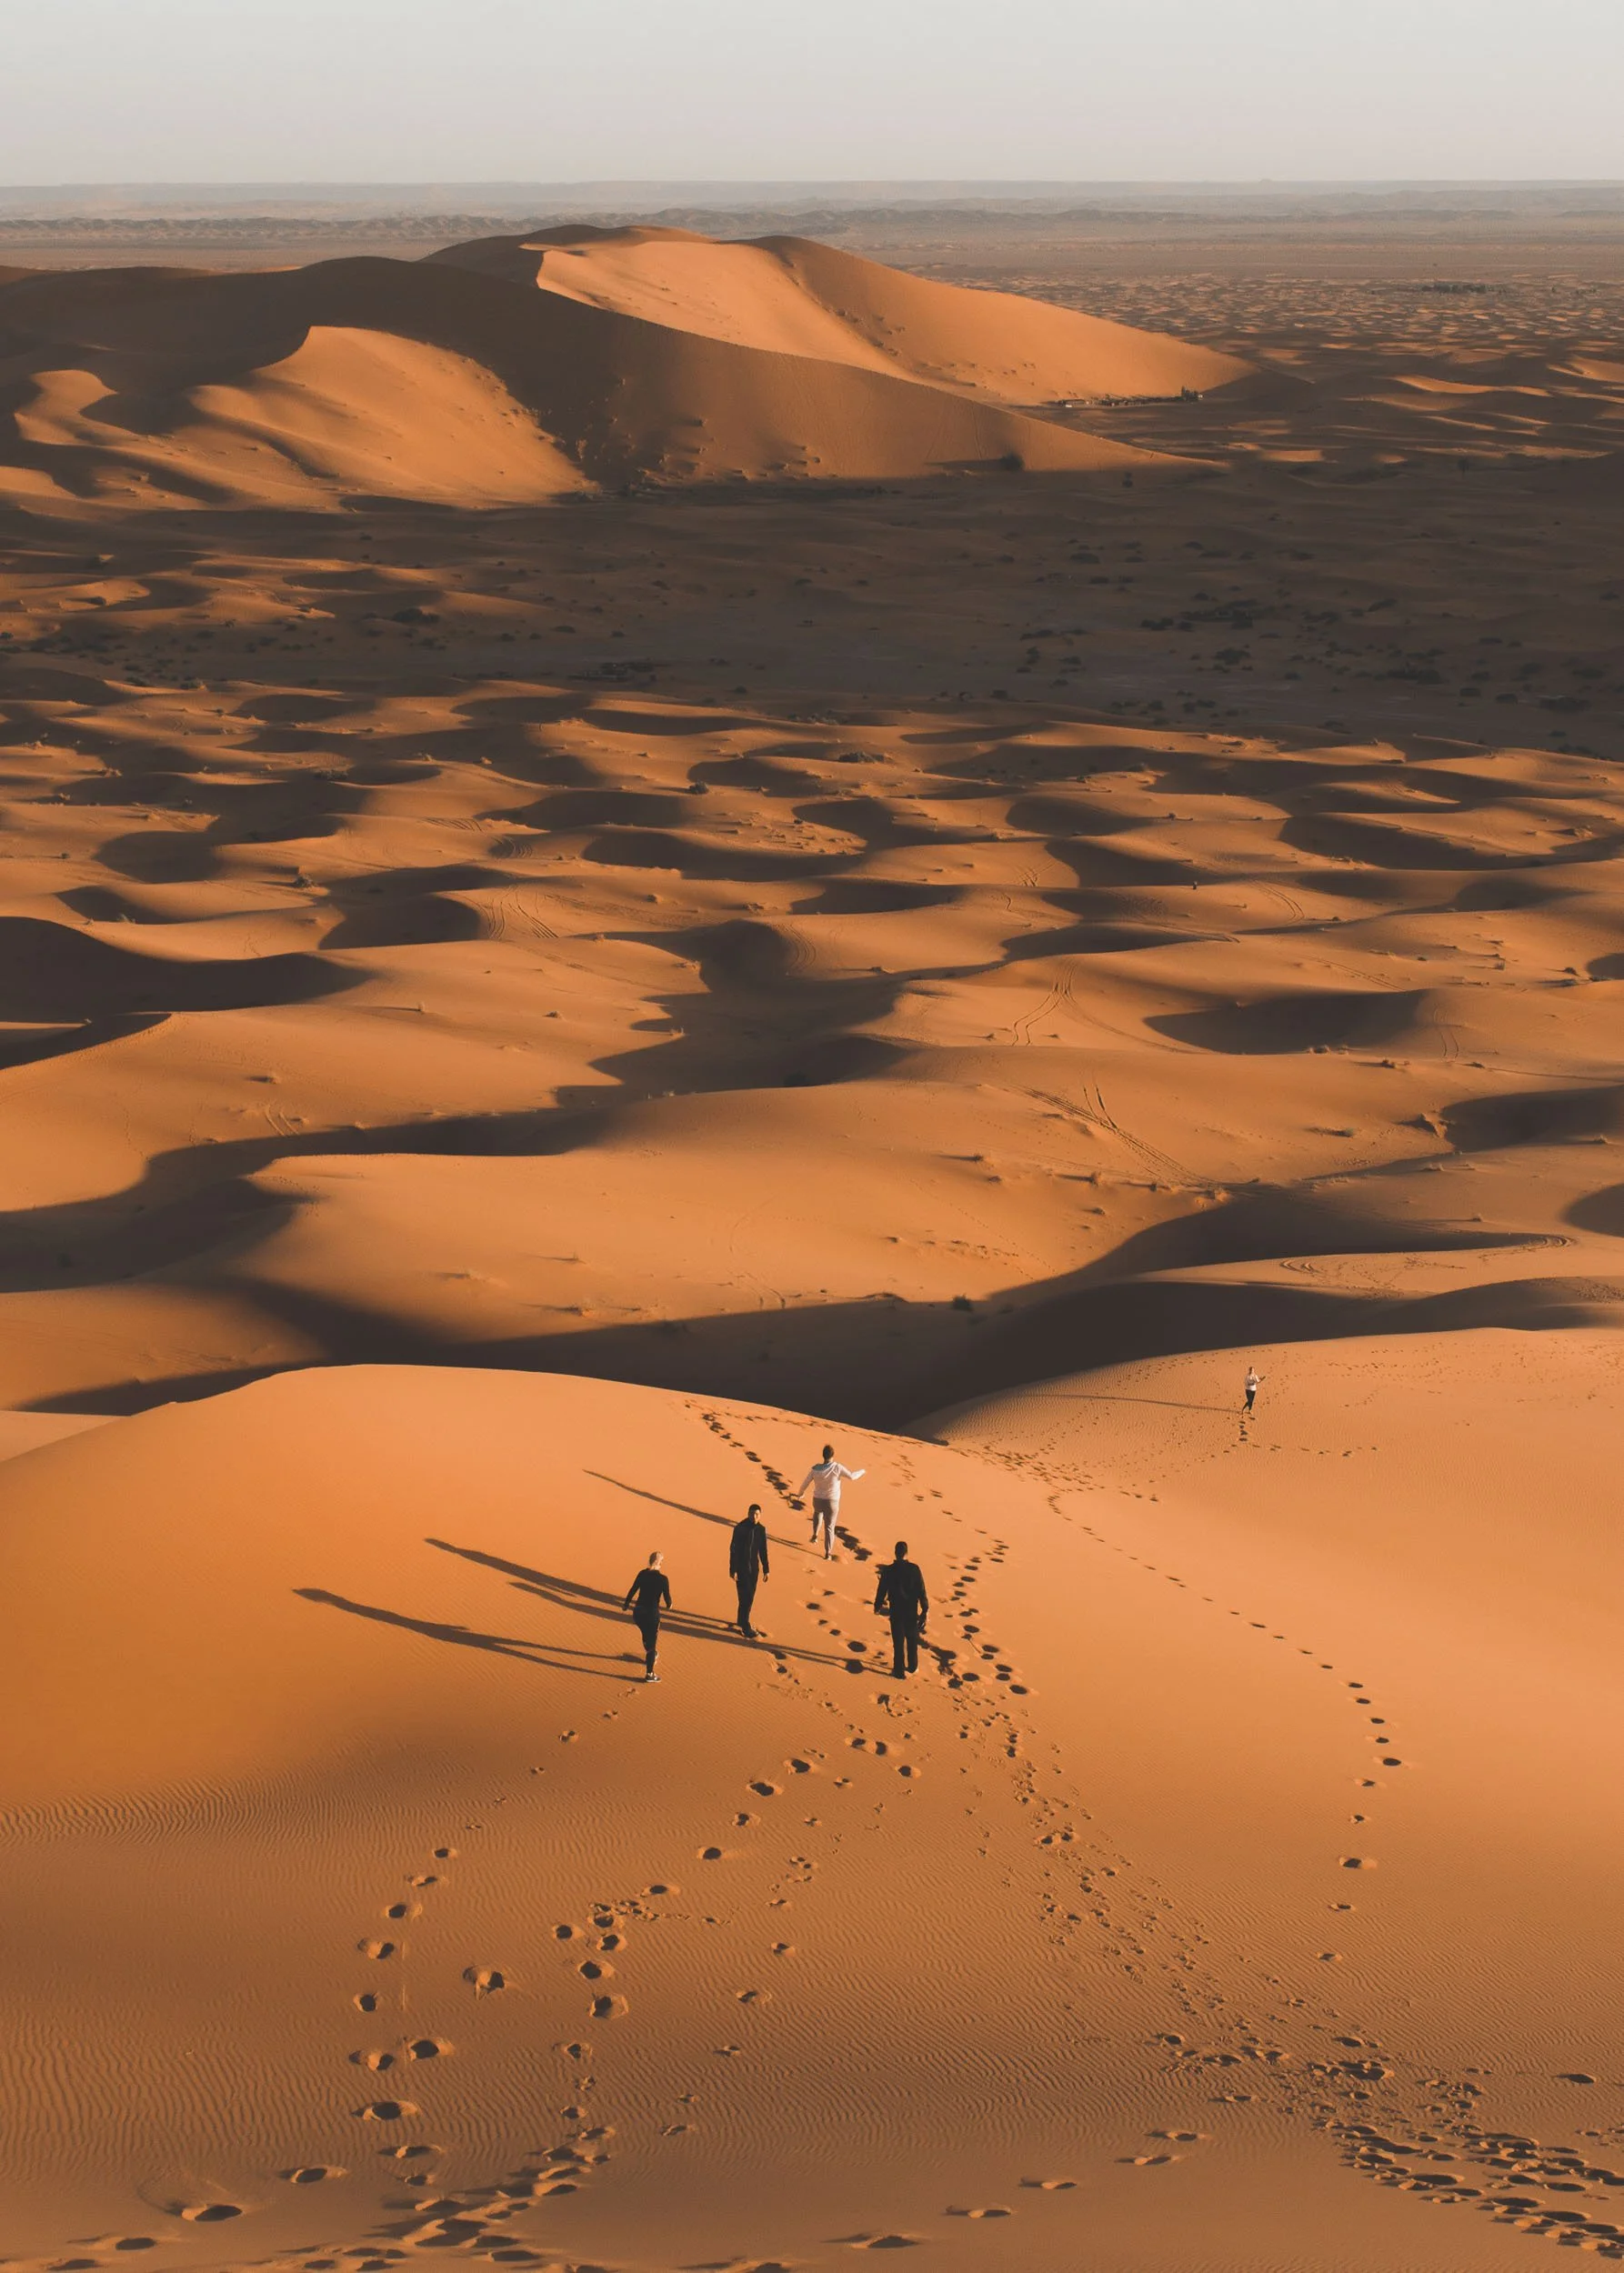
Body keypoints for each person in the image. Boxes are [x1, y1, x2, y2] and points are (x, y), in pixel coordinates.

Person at [797, 1443, 866, 1561]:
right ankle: (828, 1553)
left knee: (817, 1514)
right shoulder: (837, 1467)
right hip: (832, 1502)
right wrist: (862, 1471)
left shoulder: (815, 1468)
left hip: (817, 1500)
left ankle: (815, 1535)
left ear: (823, 1455)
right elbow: (852, 1476)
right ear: (833, 1455)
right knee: (829, 1527)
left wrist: (801, 1493)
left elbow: (805, 1482)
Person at [874, 1539, 928, 1679]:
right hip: (911, 1611)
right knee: (911, 1640)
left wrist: (878, 1605)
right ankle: (912, 1667)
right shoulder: (914, 1569)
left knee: (898, 1642)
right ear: (907, 1553)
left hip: (896, 1611)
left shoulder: (889, 1570)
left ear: (895, 1553)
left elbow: (882, 1590)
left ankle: (899, 1671)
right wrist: (924, 1610)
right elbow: (922, 1591)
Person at [624, 1551, 670, 1682]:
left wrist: (626, 1604)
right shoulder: (663, 1579)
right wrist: (670, 1605)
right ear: (660, 1563)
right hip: (652, 1615)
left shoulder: (642, 1574)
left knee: (646, 1635)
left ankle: (651, 1654)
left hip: (638, 1613)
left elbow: (633, 1589)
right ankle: (650, 1674)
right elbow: (668, 1602)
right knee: (652, 1645)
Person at [729, 1502, 770, 1637]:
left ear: (761, 1515)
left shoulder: (761, 1530)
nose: (754, 1516)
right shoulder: (740, 1528)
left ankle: (741, 1620)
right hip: (741, 1569)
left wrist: (766, 1569)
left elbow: (763, 1551)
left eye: (757, 1514)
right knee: (745, 1597)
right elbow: (733, 1550)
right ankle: (745, 1625)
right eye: (752, 1513)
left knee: (749, 1597)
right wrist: (733, 1569)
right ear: (748, 1514)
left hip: (754, 1570)